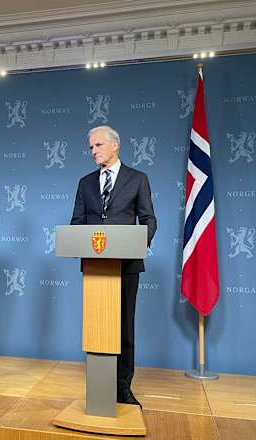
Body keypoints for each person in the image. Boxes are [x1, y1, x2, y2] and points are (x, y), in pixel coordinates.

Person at [70, 125, 157, 407]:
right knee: (98, 326)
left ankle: (123, 387)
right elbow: (77, 224)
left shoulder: (137, 179)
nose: (93, 151)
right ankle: (99, 385)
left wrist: (139, 243)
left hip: (127, 265)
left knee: (124, 328)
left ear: (114, 145)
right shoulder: (85, 183)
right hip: (95, 268)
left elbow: (149, 220)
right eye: (91, 147)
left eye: (98, 145)